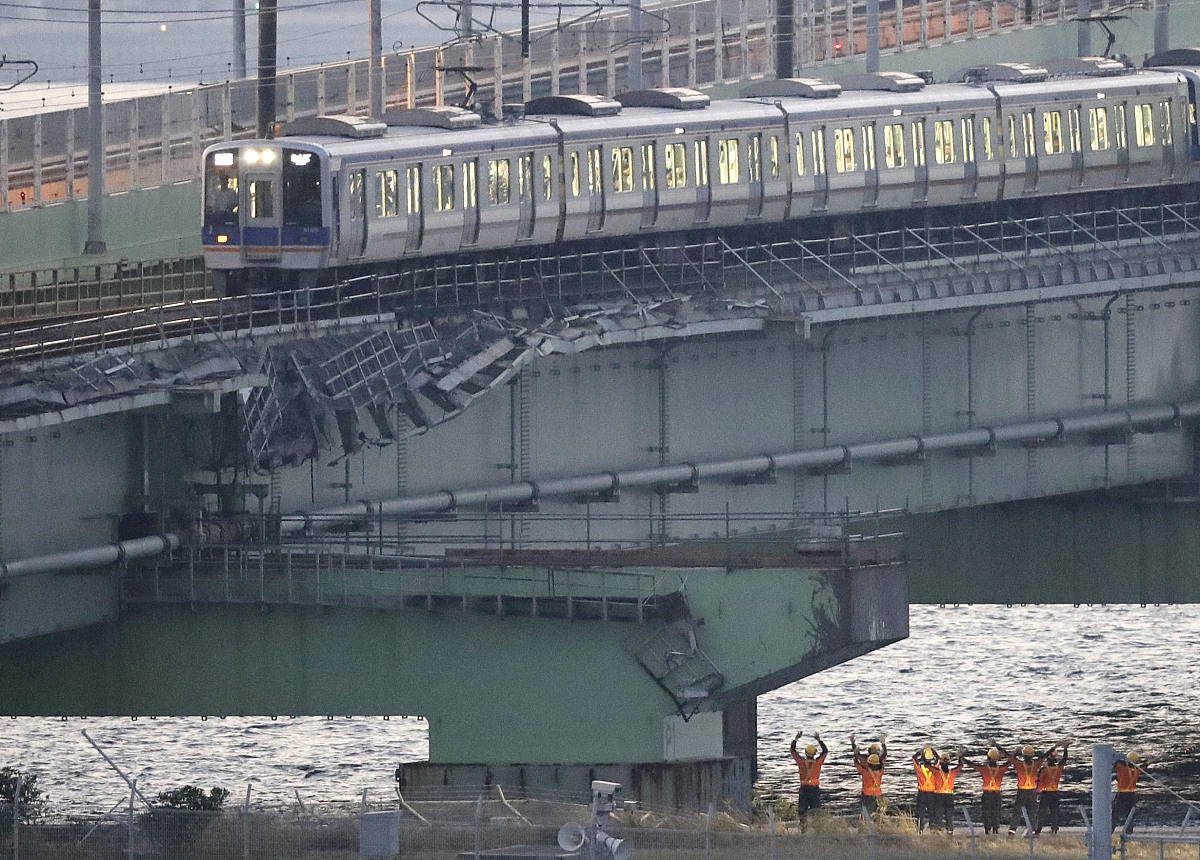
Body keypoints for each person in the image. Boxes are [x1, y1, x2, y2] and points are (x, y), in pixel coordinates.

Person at [965, 747, 1010, 835]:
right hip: (997, 794)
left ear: (988, 758)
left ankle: (987, 830)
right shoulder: (1001, 769)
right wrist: (1006, 751)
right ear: (997, 759)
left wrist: (963, 759)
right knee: (996, 812)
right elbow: (1010, 761)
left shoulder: (984, 769)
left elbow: (973, 765)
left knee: (987, 812)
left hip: (987, 794)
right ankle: (995, 829)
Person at [1005, 742, 1046, 835]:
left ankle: (1012, 832)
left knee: (1017, 812)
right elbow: (1043, 757)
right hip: (1032, 792)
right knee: (1031, 813)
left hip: (1022, 792)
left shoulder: (1019, 764)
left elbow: (1009, 757)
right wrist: (1055, 747)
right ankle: (1034, 832)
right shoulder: (1036, 764)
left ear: (1023, 755)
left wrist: (1014, 753)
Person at [789, 730, 829, 824]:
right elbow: (825, 751)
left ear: (806, 753)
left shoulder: (801, 762)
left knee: (802, 811)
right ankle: (817, 828)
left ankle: (803, 828)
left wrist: (796, 739)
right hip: (815, 789)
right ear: (815, 753)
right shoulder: (818, 763)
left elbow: (793, 751)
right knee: (816, 810)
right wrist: (819, 740)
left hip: (804, 789)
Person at [851, 732, 888, 819]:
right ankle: (880, 822)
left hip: (867, 793)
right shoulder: (881, 769)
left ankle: (865, 822)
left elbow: (857, 758)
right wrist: (883, 743)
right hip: (878, 793)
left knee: (865, 811)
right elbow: (885, 754)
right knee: (881, 811)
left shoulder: (865, 767)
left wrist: (853, 743)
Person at [1035, 743, 1069, 834]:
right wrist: (1065, 749)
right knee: (1054, 812)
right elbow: (1064, 759)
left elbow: (1040, 782)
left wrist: (1037, 792)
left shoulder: (1043, 770)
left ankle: (1038, 830)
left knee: (1041, 812)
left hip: (1045, 794)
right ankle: (1054, 829)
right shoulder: (1058, 768)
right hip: (1055, 793)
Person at [931, 750, 965, 833]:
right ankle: (949, 831)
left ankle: (937, 831)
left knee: (938, 814)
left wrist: (934, 756)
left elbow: (927, 765)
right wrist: (960, 756)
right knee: (949, 815)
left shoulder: (936, 772)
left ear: (941, 763)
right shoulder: (953, 772)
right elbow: (961, 765)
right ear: (949, 762)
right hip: (949, 796)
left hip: (938, 795)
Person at [1113, 752, 1146, 833]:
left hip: (1121, 795)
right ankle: (1129, 833)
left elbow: (1116, 763)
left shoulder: (1122, 768)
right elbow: (1145, 765)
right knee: (1130, 815)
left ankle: (1109, 831)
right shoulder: (1137, 770)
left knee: (1115, 815)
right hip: (1131, 795)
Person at [912, 746, 939, 832]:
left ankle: (920, 829)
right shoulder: (935, 768)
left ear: (923, 758)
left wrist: (920, 751)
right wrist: (932, 749)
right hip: (932, 793)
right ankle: (933, 829)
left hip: (922, 793)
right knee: (932, 812)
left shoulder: (919, 769)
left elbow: (914, 757)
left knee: (920, 813)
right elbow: (938, 759)